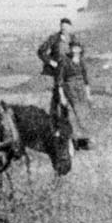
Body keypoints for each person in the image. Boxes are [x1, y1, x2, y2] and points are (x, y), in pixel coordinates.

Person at [38, 18, 92, 148]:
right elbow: (41, 51)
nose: (64, 29)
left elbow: (80, 52)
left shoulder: (73, 39)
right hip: (59, 73)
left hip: (71, 74)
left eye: (67, 27)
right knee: (58, 100)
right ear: (60, 27)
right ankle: (56, 129)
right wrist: (51, 62)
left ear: (70, 28)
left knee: (75, 105)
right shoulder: (54, 38)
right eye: (62, 27)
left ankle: (77, 134)